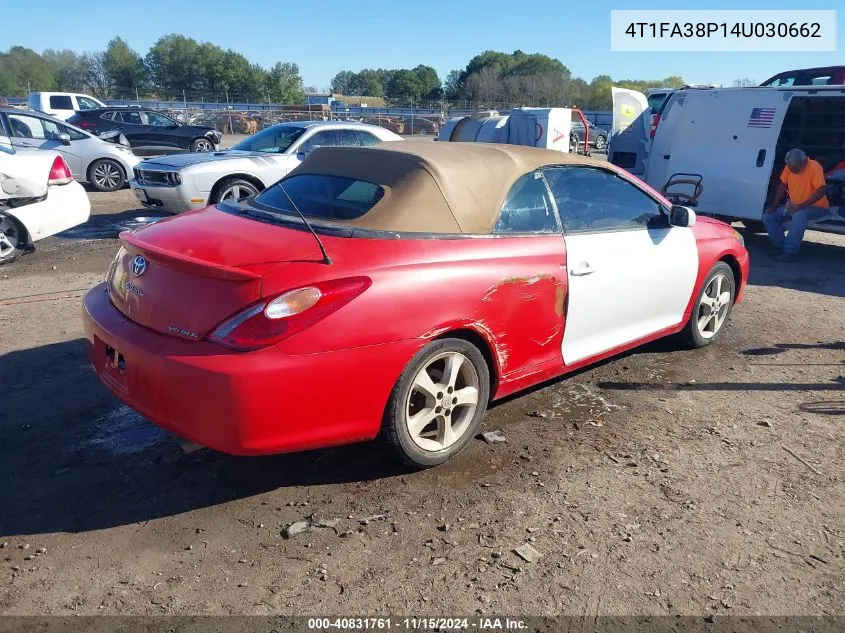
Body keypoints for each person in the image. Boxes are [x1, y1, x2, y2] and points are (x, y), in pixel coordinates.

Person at [763, 148, 829, 262]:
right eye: (789, 167)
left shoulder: (814, 167)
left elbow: (822, 189)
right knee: (767, 217)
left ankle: (790, 252)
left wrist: (801, 206)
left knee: (800, 216)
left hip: (817, 207)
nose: (791, 170)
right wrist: (774, 206)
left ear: (803, 162)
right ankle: (782, 247)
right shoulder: (789, 166)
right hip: (795, 207)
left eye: (794, 167)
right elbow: (781, 186)